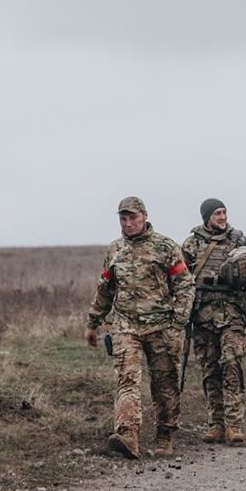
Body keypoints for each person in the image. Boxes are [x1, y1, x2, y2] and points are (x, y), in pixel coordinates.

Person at [85, 196, 195, 459]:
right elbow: (105, 288)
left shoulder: (165, 247)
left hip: (162, 326)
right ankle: (128, 436)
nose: (128, 223)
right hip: (125, 325)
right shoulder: (114, 250)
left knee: (165, 382)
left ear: (144, 216)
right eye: (123, 218)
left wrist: (177, 322)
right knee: (127, 380)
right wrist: (93, 321)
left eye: (133, 217)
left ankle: (165, 435)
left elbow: (185, 285)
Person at [181, 199, 246, 446]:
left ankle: (234, 425)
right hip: (202, 315)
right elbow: (179, 278)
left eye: (224, 212)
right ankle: (215, 424)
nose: (222, 217)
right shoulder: (192, 243)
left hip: (232, 313)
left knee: (232, 363)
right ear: (207, 217)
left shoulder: (239, 240)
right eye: (217, 213)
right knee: (210, 370)